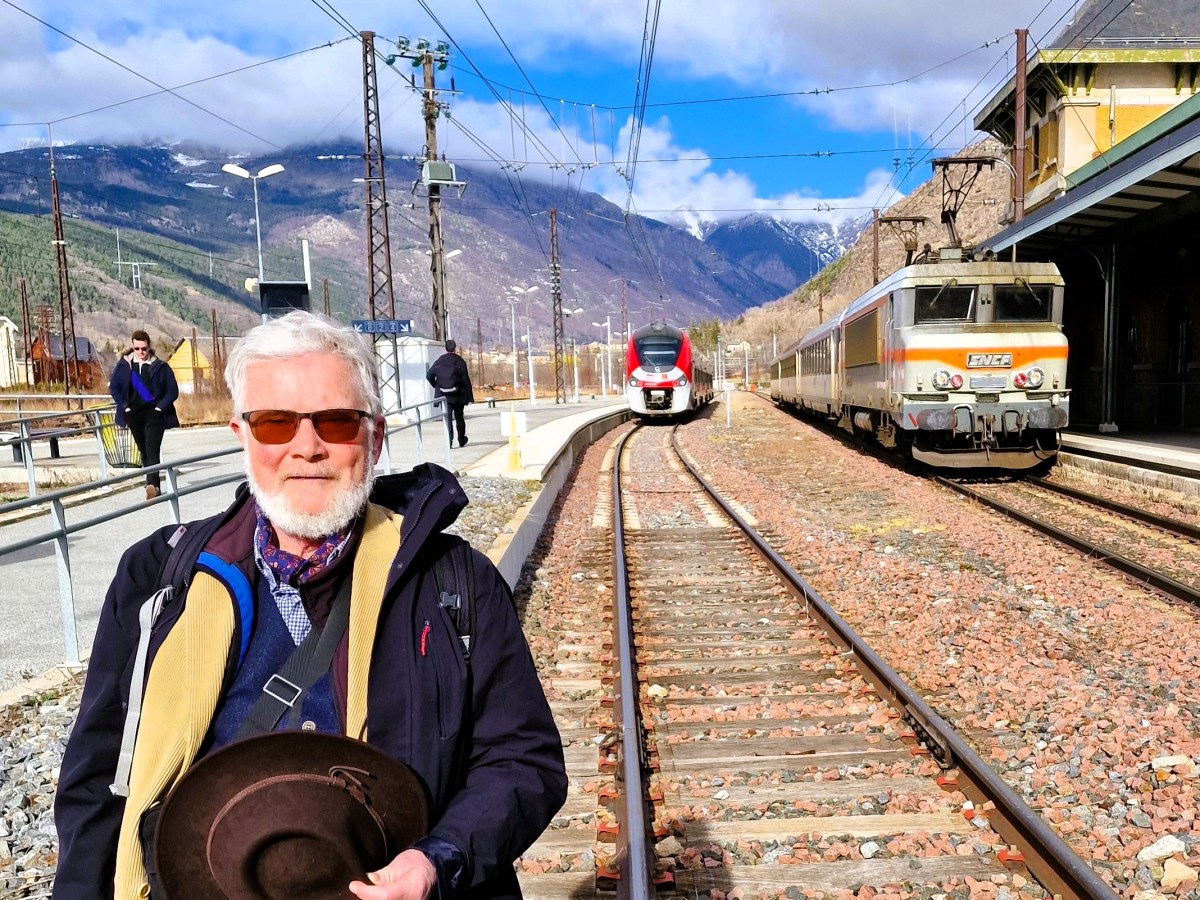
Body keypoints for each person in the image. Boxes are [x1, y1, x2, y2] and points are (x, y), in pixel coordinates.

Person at [55, 312, 567, 899]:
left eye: (337, 421)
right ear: (241, 435)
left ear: (374, 436)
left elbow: (522, 759)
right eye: (276, 423)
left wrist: (436, 861)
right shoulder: (160, 579)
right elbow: (97, 784)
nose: (308, 447)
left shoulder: (450, 581)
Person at [108, 330, 180, 500]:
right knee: (143, 450)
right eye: (137, 348)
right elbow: (114, 388)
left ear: (149, 347)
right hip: (133, 414)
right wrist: (124, 406)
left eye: (144, 348)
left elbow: (172, 390)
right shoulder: (125, 365)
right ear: (132, 347)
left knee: (152, 448)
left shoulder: (160, 367)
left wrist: (160, 408)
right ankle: (152, 483)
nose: (140, 352)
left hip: (154, 413)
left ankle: (152, 485)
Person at [426, 339, 474, 448]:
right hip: (458, 394)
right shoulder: (460, 361)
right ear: (455, 348)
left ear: (445, 348)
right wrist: (469, 397)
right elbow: (466, 379)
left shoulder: (439, 361)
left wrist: (437, 385)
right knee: (459, 417)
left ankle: (449, 442)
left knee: (448, 419)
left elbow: (429, 375)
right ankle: (461, 440)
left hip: (444, 395)